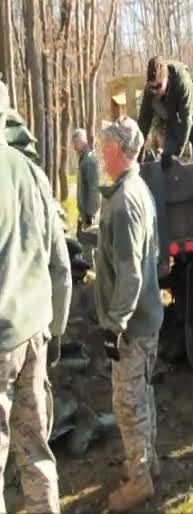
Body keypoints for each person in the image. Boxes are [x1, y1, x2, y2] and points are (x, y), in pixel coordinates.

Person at [0, 80, 72, 513]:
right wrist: (56, 332)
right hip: (36, 336)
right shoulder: (32, 172)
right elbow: (60, 264)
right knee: (37, 454)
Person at [96, 116, 164, 511]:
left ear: (120, 151)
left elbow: (131, 272)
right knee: (143, 393)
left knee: (129, 402)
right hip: (146, 317)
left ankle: (139, 480)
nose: (102, 154)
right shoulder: (138, 188)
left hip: (133, 325)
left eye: (106, 148)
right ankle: (147, 463)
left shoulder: (124, 202)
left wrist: (115, 324)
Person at [137, 56, 193, 170]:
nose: (155, 90)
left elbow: (186, 120)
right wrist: (138, 157)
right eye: (152, 87)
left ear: (166, 78)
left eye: (158, 86)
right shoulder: (149, 92)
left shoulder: (181, 79)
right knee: (167, 160)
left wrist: (178, 152)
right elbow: (143, 123)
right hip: (173, 118)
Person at [72, 128, 100, 266]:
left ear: (82, 142)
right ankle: (88, 267)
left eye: (75, 142)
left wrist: (90, 213)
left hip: (89, 212)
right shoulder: (83, 159)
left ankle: (91, 270)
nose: (73, 146)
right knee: (84, 243)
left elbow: (93, 188)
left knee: (89, 244)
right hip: (84, 211)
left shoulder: (88, 160)